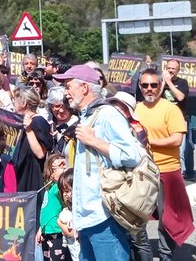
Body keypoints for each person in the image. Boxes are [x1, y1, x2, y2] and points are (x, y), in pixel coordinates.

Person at [63, 64, 143, 259]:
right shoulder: (86, 116)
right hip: (86, 216)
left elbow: (132, 155)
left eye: (68, 87)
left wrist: (94, 142)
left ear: (84, 88)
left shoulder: (108, 114)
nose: (66, 93)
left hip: (104, 214)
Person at [134, 69, 195, 261]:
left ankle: (166, 254)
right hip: (141, 170)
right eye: (145, 85)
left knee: (168, 217)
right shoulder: (136, 109)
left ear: (160, 86)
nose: (149, 89)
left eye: (153, 85)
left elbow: (177, 140)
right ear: (139, 87)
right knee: (136, 215)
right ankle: (142, 254)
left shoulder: (171, 109)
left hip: (166, 170)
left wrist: (147, 140)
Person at [161, 58, 196, 182]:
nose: (170, 70)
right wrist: (163, 82)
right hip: (171, 119)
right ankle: (188, 172)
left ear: (178, 70)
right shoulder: (161, 82)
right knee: (186, 148)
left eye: (173, 68)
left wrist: (169, 81)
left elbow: (180, 96)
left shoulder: (183, 83)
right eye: (169, 68)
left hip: (193, 117)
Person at [12, 88, 52, 192]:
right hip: (20, 173)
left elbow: (40, 154)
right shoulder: (21, 121)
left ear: (24, 103)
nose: (14, 104)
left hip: (31, 175)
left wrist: (29, 130)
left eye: (15, 100)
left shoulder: (38, 121)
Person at [38, 154, 72, 261]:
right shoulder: (49, 186)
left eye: (63, 166)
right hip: (46, 231)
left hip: (56, 232)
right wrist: (40, 229)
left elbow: (66, 200)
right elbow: (47, 210)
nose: (61, 169)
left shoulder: (60, 186)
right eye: (57, 167)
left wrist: (61, 178)